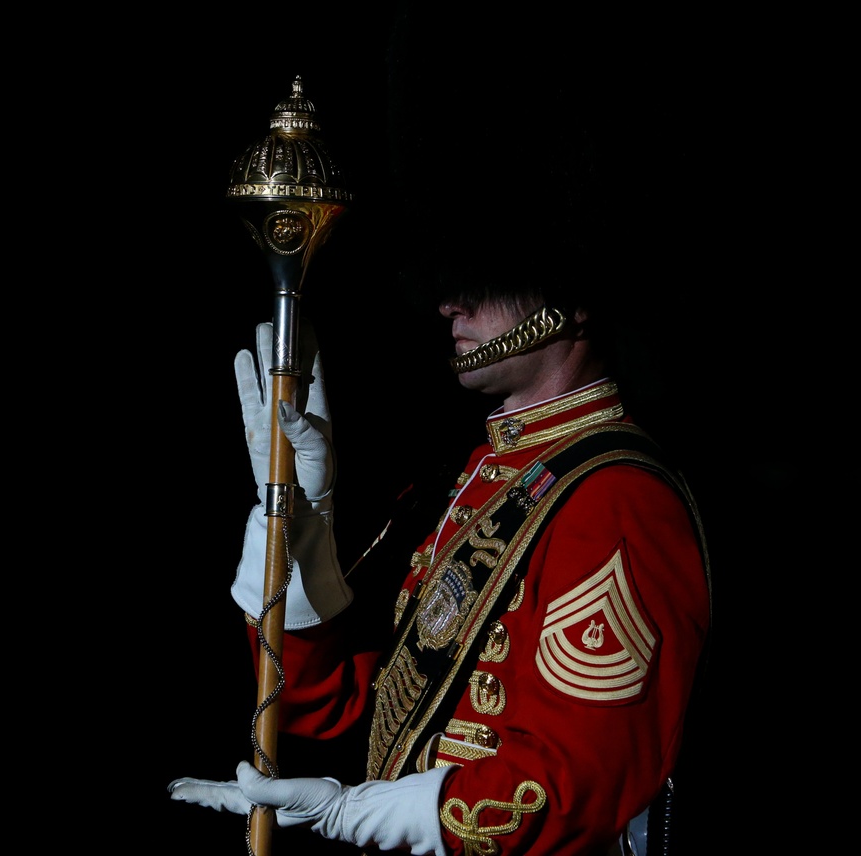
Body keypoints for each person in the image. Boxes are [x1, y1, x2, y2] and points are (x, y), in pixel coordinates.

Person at [167, 66, 713, 855]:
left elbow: (576, 782)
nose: (448, 300)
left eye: (486, 276)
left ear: (575, 296)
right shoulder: (483, 476)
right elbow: (363, 711)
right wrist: (298, 531)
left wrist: (369, 813)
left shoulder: (617, 500)